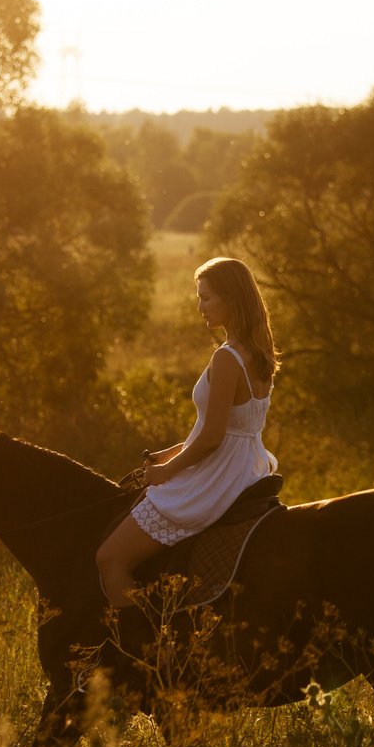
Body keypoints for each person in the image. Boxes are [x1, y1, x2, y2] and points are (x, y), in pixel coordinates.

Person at [96, 256, 279, 607]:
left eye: (207, 297)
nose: (200, 307)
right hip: (246, 466)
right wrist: (171, 451)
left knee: (110, 559)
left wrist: (167, 471)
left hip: (217, 475)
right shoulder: (258, 352)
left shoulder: (227, 358)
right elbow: (232, 428)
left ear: (232, 299)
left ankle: (145, 639)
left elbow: (212, 438)